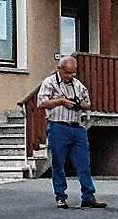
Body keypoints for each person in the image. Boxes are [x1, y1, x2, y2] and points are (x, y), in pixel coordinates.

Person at [37, 56, 106, 209]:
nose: (71, 76)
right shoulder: (50, 82)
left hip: (77, 127)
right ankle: (60, 196)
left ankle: (88, 196)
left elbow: (88, 104)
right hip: (58, 126)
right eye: (68, 73)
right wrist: (61, 101)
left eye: (73, 73)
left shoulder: (78, 85)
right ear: (60, 69)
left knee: (84, 163)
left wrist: (80, 104)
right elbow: (41, 102)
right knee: (58, 163)